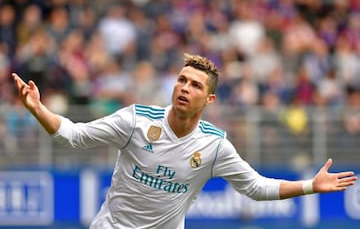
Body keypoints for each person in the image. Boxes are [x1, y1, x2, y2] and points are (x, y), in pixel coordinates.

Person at [12, 53, 357, 229]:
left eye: (195, 85)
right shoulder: (136, 119)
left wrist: (311, 185)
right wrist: (38, 108)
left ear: (209, 100)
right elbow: (74, 136)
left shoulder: (215, 146)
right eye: (182, 80)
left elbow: (256, 187)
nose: (185, 88)